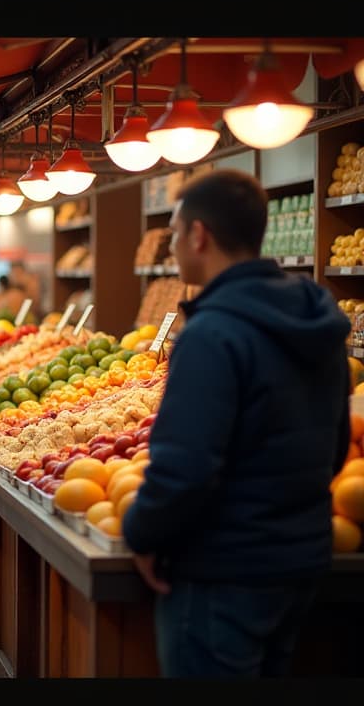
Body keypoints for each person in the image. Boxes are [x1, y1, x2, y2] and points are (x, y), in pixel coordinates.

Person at [121, 170, 351, 678]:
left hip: (221, 569)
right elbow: (334, 449)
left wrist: (138, 533)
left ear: (199, 235)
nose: (174, 246)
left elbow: (184, 468)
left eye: (176, 233)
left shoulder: (211, 333)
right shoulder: (320, 321)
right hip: (300, 561)